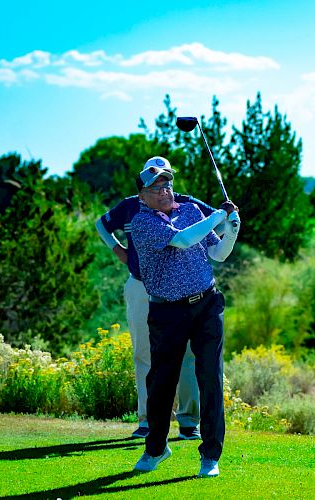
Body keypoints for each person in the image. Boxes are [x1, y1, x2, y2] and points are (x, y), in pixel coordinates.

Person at [95, 156, 218, 440]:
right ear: (144, 186)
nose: (164, 186)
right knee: (145, 355)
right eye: (157, 181)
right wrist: (118, 251)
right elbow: (102, 225)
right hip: (141, 286)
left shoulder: (186, 202)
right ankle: (148, 420)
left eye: (167, 180)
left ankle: (189, 421)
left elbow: (217, 225)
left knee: (188, 355)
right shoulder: (129, 206)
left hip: (183, 291)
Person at [131, 160, 240, 478]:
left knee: (211, 378)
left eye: (167, 185)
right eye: (156, 187)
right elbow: (182, 240)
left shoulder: (192, 210)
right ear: (142, 195)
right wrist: (219, 216)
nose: (164, 191)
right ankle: (156, 448)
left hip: (207, 304)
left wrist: (231, 229)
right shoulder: (142, 223)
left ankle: (210, 456)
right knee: (161, 383)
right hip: (167, 310)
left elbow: (218, 253)